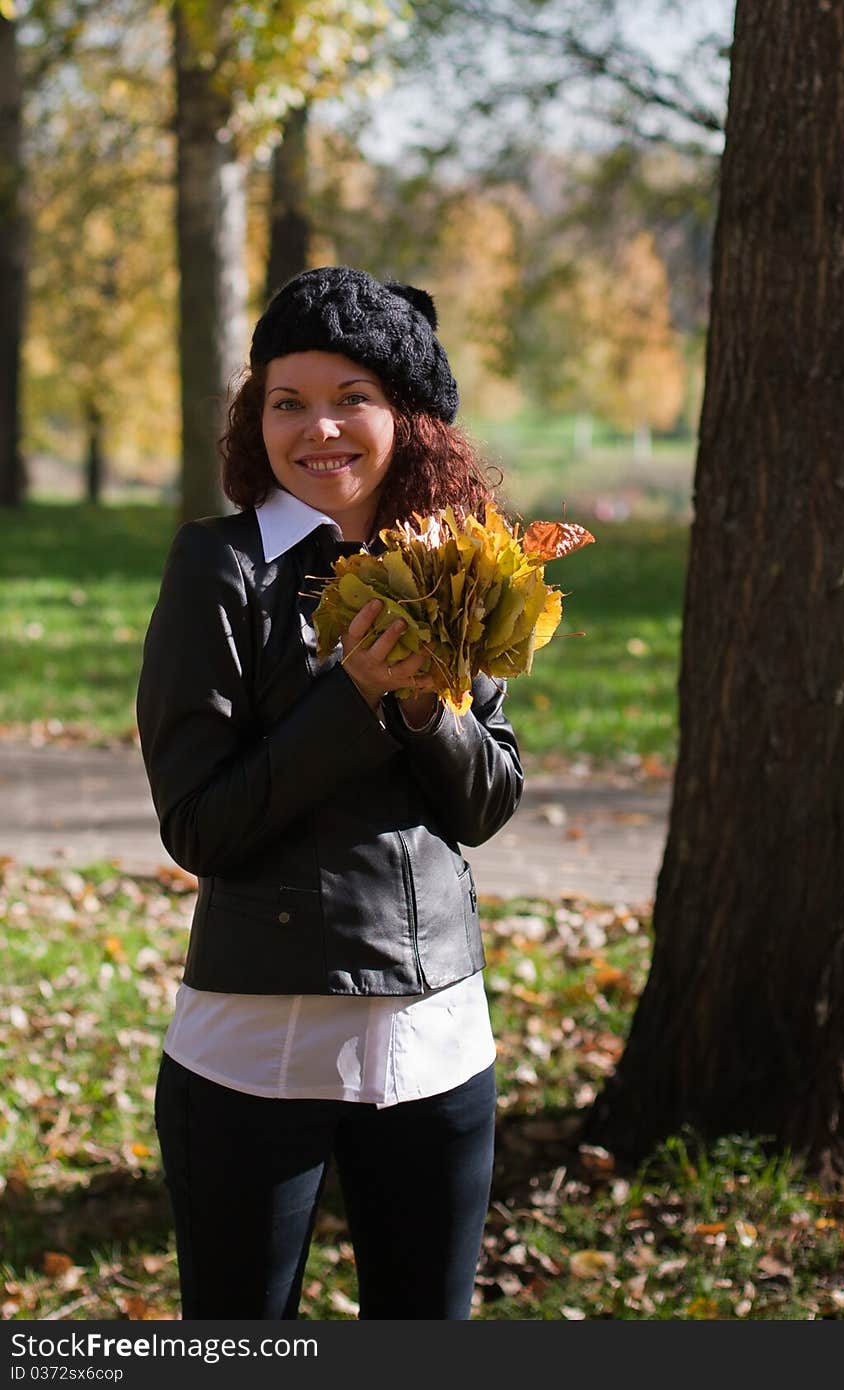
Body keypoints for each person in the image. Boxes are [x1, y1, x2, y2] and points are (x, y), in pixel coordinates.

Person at [136, 265, 524, 1320]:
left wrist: (419, 709)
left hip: (437, 1044)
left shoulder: (462, 564)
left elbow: (485, 803)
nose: (320, 430)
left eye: (351, 397)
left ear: (407, 417)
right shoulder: (216, 570)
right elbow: (201, 824)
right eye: (286, 401)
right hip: (259, 1047)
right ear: (253, 416)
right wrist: (352, 694)